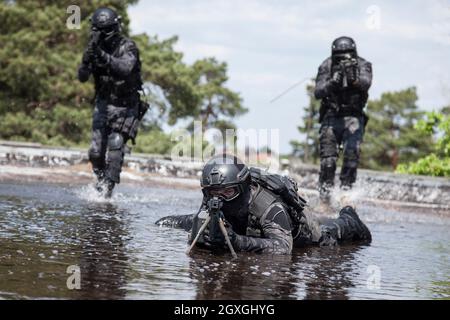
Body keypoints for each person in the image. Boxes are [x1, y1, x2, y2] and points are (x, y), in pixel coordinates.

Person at [156, 154, 371, 255]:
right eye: (213, 193)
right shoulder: (215, 198)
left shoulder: (268, 207)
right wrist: (168, 223)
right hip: (254, 229)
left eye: (228, 192)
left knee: (331, 231)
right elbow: (195, 222)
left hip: (303, 231)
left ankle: (349, 213)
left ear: (242, 188)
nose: (219, 199)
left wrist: (237, 241)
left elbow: (283, 248)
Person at [78, 7, 147, 197]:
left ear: (115, 27)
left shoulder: (128, 47)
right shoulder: (93, 48)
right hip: (103, 104)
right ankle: (101, 181)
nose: (102, 34)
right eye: (98, 30)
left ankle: (107, 191)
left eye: (106, 30)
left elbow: (124, 68)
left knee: (116, 145)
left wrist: (102, 56)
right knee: (95, 152)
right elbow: (82, 77)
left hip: (126, 106)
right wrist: (86, 61)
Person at [314, 36, 373, 198]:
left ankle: (346, 193)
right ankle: (325, 197)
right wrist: (332, 83)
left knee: (352, 154)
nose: (343, 58)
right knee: (328, 161)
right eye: (340, 54)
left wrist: (353, 79)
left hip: (354, 116)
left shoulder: (363, 65)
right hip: (331, 116)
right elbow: (318, 92)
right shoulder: (327, 65)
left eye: (347, 54)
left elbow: (366, 83)